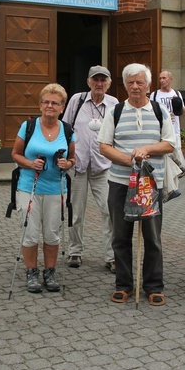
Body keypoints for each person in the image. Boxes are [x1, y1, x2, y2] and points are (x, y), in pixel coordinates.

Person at [99, 63, 177, 306]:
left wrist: (146, 149)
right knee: (120, 236)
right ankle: (124, 284)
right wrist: (128, 160)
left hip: (151, 185)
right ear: (124, 85)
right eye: (130, 82)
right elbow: (103, 146)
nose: (135, 86)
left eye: (139, 82)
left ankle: (153, 286)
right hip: (120, 183)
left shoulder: (159, 111)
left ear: (148, 85)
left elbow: (169, 144)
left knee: (152, 238)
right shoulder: (115, 111)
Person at [12, 83, 76, 293]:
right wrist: (30, 164)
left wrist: (68, 164)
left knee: (52, 233)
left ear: (62, 107)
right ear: (40, 105)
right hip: (29, 187)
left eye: (55, 103)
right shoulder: (28, 126)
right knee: (30, 233)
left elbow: (73, 158)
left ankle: (50, 271)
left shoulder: (67, 130)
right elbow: (15, 154)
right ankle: (31, 272)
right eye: (46, 102)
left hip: (56, 188)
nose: (50, 106)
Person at [62, 65, 118, 272]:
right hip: (78, 166)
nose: (99, 84)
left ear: (109, 83)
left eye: (103, 80)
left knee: (109, 211)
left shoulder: (114, 104)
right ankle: (75, 251)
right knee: (76, 212)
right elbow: (66, 129)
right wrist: (66, 157)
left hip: (103, 167)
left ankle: (112, 256)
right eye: (96, 79)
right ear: (88, 82)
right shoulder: (76, 101)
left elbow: (117, 134)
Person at [150, 70, 185, 138]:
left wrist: (179, 103)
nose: (161, 80)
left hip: (175, 133)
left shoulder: (177, 93)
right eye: (160, 78)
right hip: (160, 133)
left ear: (171, 79)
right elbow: (151, 114)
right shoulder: (154, 95)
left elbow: (184, 113)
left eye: (164, 78)